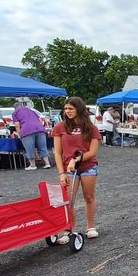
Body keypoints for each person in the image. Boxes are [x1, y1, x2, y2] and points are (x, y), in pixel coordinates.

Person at [52, 97, 102, 242]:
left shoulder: (91, 128)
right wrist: (61, 173)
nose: (67, 111)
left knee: (89, 196)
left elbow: (92, 152)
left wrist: (75, 159)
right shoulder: (60, 127)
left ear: (79, 109)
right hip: (69, 170)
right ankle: (68, 231)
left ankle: (91, 227)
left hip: (88, 167)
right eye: (66, 109)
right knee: (69, 200)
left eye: (71, 109)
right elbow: (57, 152)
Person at [12, 103, 50, 171]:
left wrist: (19, 133)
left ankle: (33, 165)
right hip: (40, 129)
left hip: (27, 130)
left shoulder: (15, 113)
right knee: (43, 147)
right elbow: (40, 120)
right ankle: (47, 163)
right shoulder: (31, 110)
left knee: (29, 148)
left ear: (15, 108)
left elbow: (17, 124)